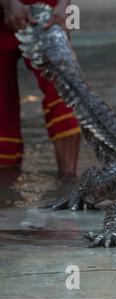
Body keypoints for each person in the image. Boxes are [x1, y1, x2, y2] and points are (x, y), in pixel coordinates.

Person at [0, 0, 80, 179]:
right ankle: (6, 193)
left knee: (63, 90)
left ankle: (69, 183)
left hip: (49, 11)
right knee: (1, 108)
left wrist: (64, 5)